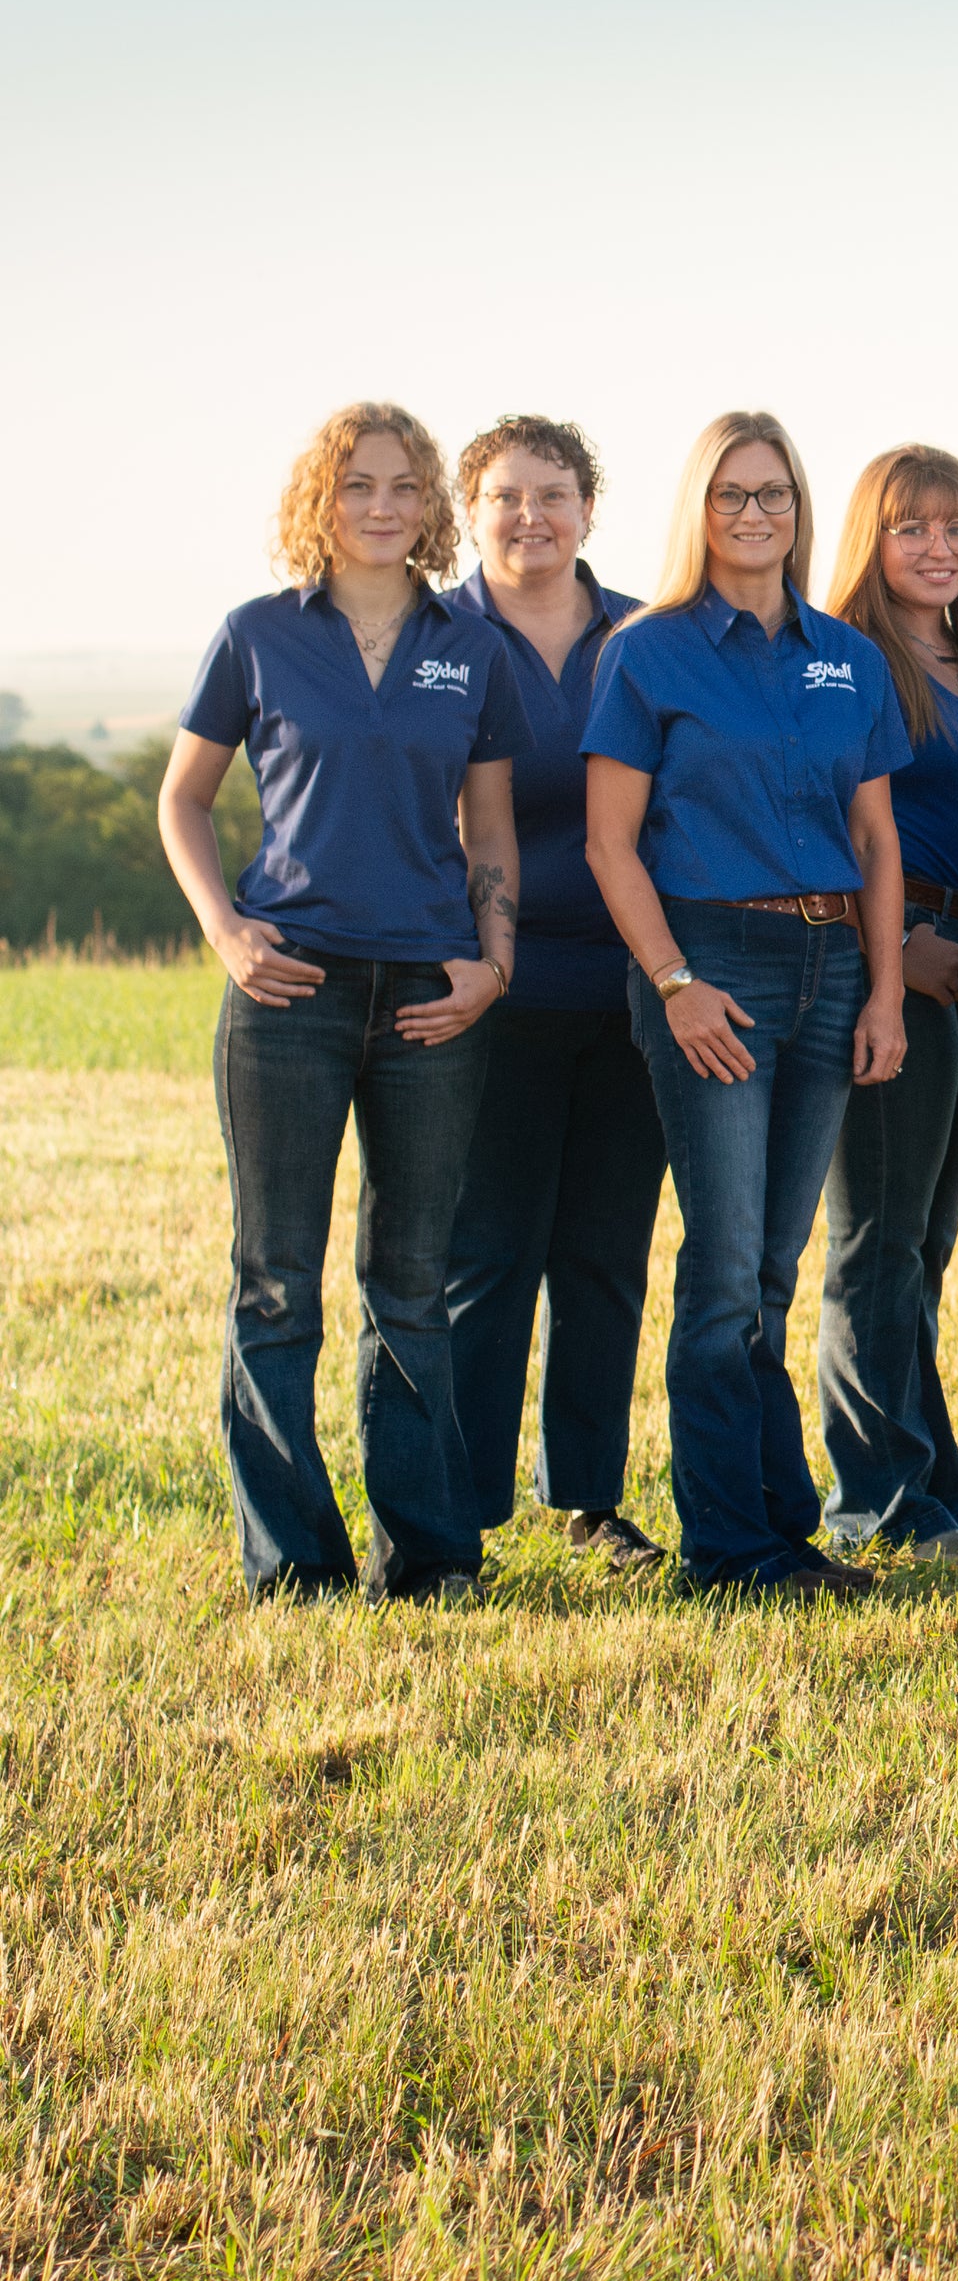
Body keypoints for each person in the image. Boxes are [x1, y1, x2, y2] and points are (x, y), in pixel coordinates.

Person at [162, 403, 524, 1601]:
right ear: (320, 499)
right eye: (358, 484)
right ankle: (294, 1562)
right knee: (276, 1277)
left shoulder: (468, 649)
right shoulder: (257, 636)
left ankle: (426, 1558)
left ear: (431, 509)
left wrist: (492, 962)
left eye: (404, 486)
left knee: (411, 1283)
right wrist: (225, 930)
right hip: (290, 990)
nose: (381, 504)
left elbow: (493, 829)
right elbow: (184, 802)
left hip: (428, 995)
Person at [581, 412, 911, 1599]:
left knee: (776, 1267)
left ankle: (781, 1531)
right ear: (698, 510)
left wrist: (885, 992)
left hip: (832, 967)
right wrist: (674, 983)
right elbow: (611, 845)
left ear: (799, 509)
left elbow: (875, 839)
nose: (756, 514)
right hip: (711, 962)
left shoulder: (846, 658)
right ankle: (725, 1549)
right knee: (723, 1269)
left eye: (774, 493)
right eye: (732, 494)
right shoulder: (647, 651)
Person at [438, 414, 662, 1573]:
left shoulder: (642, 632)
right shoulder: (440, 636)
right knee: (490, 1252)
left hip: (635, 990)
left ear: (588, 507)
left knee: (607, 1254)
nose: (533, 516)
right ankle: (464, 1504)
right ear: (469, 512)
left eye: (555, 493)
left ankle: (589, 1497)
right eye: (507, 496)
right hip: (495, 992)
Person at [816, 445, 958, 1560]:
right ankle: (876, 1501)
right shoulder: (850, 662)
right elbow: (824, 820)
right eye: (913, 527)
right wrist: (903, 950)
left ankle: (932, 1489)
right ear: (871, 541)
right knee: (875, 1243)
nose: (941, 548)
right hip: (892, 960)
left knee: (924, 1245)